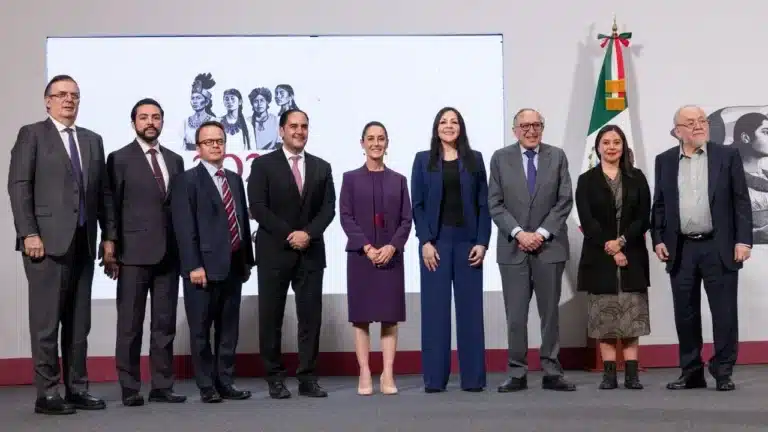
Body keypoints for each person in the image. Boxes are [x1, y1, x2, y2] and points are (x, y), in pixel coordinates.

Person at [7, 74, 117, 414]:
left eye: (74, 95)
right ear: (47, 101)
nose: (69, 100)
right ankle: (48, 393)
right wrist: (29, 233)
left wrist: (109, 237)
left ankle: (77, 388)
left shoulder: (93, 140)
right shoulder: (32, 135)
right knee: (46, 323)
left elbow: (104, 194)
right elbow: (19, 186)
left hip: (84, 242)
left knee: (79, 324)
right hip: (44, 244)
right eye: (61, 94)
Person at [651, 105, 752, 392]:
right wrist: (658, 239)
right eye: (690, 122)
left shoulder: (727, 156)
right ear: (677, 131)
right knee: (685, 314)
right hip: (681, 249)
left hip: (719, 247)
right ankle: (691, 372)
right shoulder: (664, 161)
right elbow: (660, 204)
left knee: (724, 313)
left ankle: (723, 371)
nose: (698, 126)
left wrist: (743, 241)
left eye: (702, 120)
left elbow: (741, 201)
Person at [248, 109, 336, 399]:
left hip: (310, 252)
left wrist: (307, 234)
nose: (299, 131)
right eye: (293, 126)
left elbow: (328, 209)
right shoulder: (263, 165)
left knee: (310, 318)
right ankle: (274, 377)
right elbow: (258, 207)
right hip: (274, 251)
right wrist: (290, 234)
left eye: (304, 126)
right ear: (281, 130)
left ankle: (308, 378)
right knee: (271, 317)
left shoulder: (322, 167)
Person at [488, 108, 575, 392]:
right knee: (515, 316)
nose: (531, 130)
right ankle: (517, 372)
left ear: (542, 128)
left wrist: (540, 233)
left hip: (549, 247)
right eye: (524, 126)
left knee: (549, 314)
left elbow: (564, 200)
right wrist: (519, 233)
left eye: (536, 125)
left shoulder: (557, 156)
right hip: (513, 248)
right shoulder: (500, 158)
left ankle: (552, 371)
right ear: (515, 130)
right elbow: (495, 203)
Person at [106, 98, 187, 406]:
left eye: (155, 117)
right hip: (132, 254)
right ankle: (130, 388)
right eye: (144, 117)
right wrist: (110, 242)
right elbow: (110, 205)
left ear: (162, 122)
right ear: (134, 123)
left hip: (169, 253)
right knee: (130, 325)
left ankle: (162, 386)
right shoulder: (119, 158)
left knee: (164, 325)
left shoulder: (175, 160)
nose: (150, 122)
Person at [170, 120, 254, 403]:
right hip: (202, 269)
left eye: (219, 141)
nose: (216, 146)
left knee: (229, 330)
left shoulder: (234, 179)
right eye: (209, 142)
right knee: (201, 331)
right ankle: (207, 385)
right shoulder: (186, 181)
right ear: (198, 148)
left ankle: (226, 382)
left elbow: (241, 221)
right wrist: (193, 265)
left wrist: (246, 261)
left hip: (233, 266)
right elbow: (184, 228)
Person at [410, 107, 491, 393]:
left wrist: (482, 242)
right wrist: (425, 241)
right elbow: (417, 205)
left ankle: (473, 379)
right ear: (436, 128)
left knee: (471, 312)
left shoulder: (475, 159)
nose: (448, 126)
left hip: (469, 243)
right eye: (443, 122)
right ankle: (434, 379)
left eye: (454, 122)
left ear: (461, 127)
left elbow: (484, 204)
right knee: (435, 313)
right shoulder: (422, 160)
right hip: (436, 244)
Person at [574, 124, 651, 390]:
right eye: (606, 142)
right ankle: (609, 375)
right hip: (599, 258)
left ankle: (632, 375)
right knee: (605, 318)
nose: (611, 147)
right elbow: (587, 220)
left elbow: (643, 217)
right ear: (597, 147)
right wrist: (611, 248)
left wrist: (622, 243)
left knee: (632, 318)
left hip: (632, 257)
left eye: (616, 142)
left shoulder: (637, 177)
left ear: (623, 146)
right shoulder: (586, 180)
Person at [339, 121, 412, 395]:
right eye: (370, 138)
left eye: (381, 138)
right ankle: (365, 372)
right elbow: (346, 217)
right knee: (361, 317)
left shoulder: (399, 180)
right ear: (362, 143)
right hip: (361, 256)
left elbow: (406, 219)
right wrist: (368, 248)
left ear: (387, 143)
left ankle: (388, 374)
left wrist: (392, 247)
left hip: (391, 256)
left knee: (389, 317)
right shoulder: (350, 179)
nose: (376, 143)